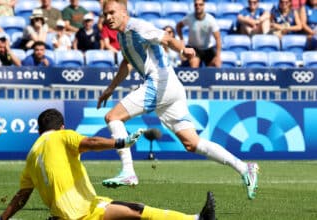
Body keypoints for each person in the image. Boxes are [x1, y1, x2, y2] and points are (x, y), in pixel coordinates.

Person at [97, 0, 259, 200]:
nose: (108, 18)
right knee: (192, 143)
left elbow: (166, 39)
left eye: (112, 12)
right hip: (172, 88)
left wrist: (183, 50)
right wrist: (111, 88)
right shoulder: (122, 35)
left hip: (159, 83)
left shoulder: (138, 26)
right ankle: (245, 168)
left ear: (123, 12)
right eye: (105, 14)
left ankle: (128, 171)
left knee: (113, 117)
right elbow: (127, 62)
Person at [0, 108, 216, 220]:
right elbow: (90, 142)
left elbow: (21, 197)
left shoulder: (32, 155)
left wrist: (2, 218)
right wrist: (121, 141)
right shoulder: (62, 137)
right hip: (78, 213)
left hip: (81, 208)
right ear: (61, 126)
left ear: (39, 129)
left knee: (135, 211)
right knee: (136, 212)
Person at [176, 0, 221, 68]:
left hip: (207, 48)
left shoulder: (210, 20)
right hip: (194, 48)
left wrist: (218, 56)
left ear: (204, 5)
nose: (198, 6)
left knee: (217, 65)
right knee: (194, 65)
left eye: (200, 4)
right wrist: (181, 40)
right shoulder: (189, 18)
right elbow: (178, 26)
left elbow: (218, 38)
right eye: (196, 5)